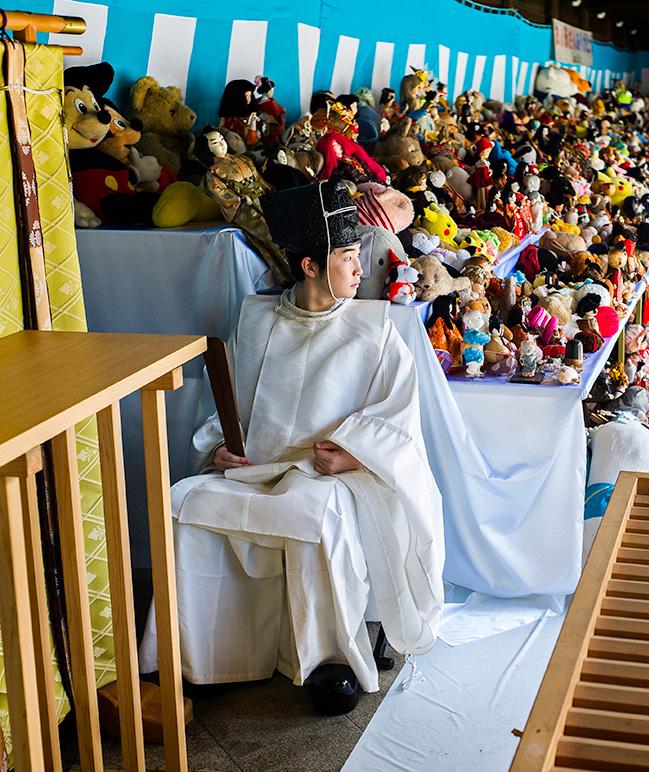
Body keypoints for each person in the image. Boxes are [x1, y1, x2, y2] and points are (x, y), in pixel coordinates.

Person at [139, 179, 444, 715]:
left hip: (327, 475)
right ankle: (201, 654)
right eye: (348, 257)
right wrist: (219, 450)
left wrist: (353, 454)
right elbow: (223, 400)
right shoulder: (256, 320)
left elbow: (399, 417)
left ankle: (329, 659)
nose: (359, 269)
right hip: (252, 467)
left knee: (314, 513)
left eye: (358, 257)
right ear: (309, 266)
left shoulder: (376, 330)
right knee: (186, 502)